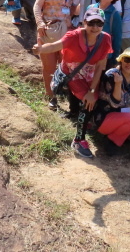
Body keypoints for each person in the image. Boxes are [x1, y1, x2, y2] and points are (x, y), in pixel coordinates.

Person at [33, 8, 112, 158]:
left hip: (89, 73)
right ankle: (79, 140)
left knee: (92, 98)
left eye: (99, 23)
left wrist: (92, 91)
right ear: (84, 22)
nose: (95, 27)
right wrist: (42, 49)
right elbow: (56, 45)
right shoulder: (73, 35)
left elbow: (101, 66)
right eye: (91, 23)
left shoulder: (105, 39)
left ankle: (80, 116)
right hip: (71, 72)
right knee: (89, 101)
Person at [33, 0, 84, 110]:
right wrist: (39, 23)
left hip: (66, 34)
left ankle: (64, 94)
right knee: (48, 66)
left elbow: (75, 11)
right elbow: (37, 6)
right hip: (47, 30)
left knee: (64, 66)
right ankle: (51, 97)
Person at [94, 47, 130, 155]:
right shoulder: (112, 75)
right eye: (127, 59)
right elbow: (114, 104)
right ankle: (112, 141)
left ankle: (126, 137)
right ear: (121, 60)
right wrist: (118, 84)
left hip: (125, 115)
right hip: (105, 117)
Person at [88, 0, 123, 68]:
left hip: (104, 57)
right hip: (87, 53)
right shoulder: (90, 8)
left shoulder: (115, 15)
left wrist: (115, 60)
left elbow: (117, 39)